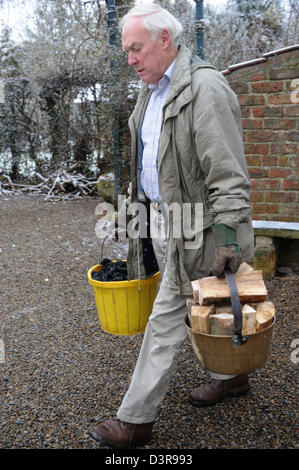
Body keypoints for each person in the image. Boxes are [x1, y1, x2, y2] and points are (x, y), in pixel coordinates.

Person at [89, 3, 254, 448]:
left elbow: (228, 173)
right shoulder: (151, 89)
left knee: (166, 315)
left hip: (200, 228)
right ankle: (230, 375)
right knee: (200, 305)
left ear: (165, 39)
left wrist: (226, 237)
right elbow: (152, 160)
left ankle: (136, 418)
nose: (131, 59)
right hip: (163, 221)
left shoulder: (205, 88)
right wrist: (135, 214)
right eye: (127, 50)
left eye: (136, 48)